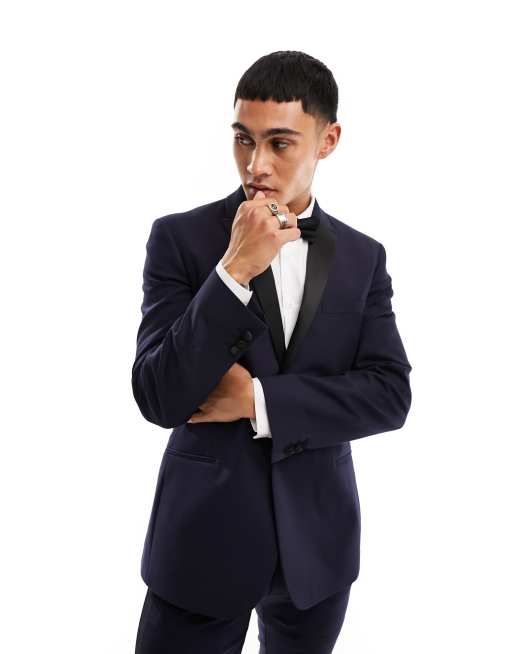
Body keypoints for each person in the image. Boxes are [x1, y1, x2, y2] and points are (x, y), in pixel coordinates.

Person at [132, 50, 412, 654]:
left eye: (279, 143)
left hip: (318, 551)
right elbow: (158, 396)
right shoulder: (179, 238)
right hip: (201, 543)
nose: (255, 164)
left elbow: (390, 395)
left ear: (328, 140)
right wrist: (233, 271)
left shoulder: (364, 257)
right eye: (243, 139)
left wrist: (258, 401)